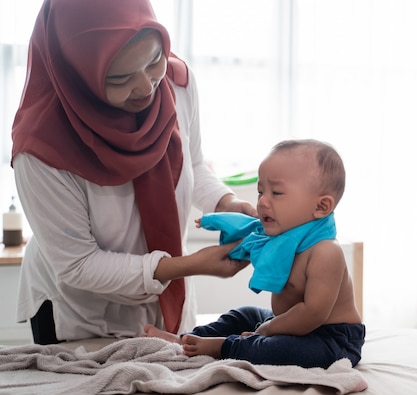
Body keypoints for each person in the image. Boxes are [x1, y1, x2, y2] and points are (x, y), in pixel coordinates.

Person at [10, 0, 256, 345]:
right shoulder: (42, 147)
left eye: (154, 60)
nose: (146, 87)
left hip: (166, 297)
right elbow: (79, 265)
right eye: (121, 78)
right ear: (80, 74)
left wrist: (224, 201)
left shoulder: (177, 83)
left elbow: (193, 164)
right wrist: (187, 266)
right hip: (83, 313)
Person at [144, 139, 365, 369]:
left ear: (321, 207)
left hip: (331, 339)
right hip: (287, 324)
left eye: (276, 192)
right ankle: (187, 339)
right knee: (244, 315)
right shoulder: (279, 239)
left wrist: (268, 330)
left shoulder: (325, 252)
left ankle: (223, 347)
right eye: (261, 191)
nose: (262, 202)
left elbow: (313, 314)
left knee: (275, 348)